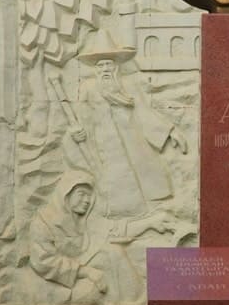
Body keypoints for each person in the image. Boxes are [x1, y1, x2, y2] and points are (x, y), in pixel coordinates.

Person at [68, 30, 187, 226]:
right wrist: (76, 133)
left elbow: (143, 111)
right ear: (95, 69)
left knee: (145, 175)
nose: (105, 68)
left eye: (109, 63)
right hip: (104, 145)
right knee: (116, 180)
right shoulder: (87, 89)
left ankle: (154, 211)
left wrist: (169, 131)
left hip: (133, 141)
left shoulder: (126, 86)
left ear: (116, 66)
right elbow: (82, 119)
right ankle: (122, 218)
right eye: (101, 65)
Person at [28, 170, 107, 305]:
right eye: (81, 194)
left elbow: (112, 228)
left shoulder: (81, 220)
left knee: (115, 254)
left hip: (83, 268)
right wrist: (86, 272)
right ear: (65, 194)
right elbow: (44, 261)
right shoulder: (43, 222)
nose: (87, 200)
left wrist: (149, 223)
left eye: (89, 196)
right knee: (91, 294)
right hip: (59, 283)